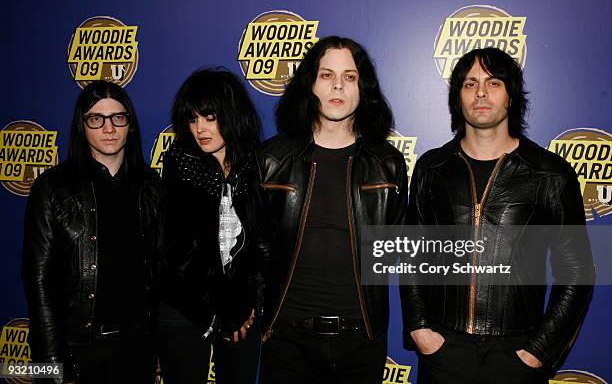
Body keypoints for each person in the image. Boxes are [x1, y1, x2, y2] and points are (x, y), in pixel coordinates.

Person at [400, 47, 595, 383]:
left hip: (518, 354)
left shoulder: (550, 174)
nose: (480, 92)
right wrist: (420, 330)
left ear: (511, 95)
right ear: (457, 98)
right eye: (469, 83)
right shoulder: (432, 168)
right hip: (444, 352)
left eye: (493, 83)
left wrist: (538, 351)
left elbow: (577, 272)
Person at [255, 36, 408, 383]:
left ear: (363, 88)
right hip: (287, 341)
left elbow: (395, 247)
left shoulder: (388, 164)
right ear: (309, 83)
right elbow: (256, 245)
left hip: (361, 341)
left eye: (350, 76)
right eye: (326, 75)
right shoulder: (270, 160)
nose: (338, 85)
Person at [22, 81, 162, 383]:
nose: (108, 128)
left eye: (118, 118)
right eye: (96, 119)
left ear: (130, 125)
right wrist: (52, 367)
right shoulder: (52, 188)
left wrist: (158, 347)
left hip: (137, 349)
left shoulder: (151, 186)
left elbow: (161, 272)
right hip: (75, 349)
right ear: (82, 125)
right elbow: (38, 279)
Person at [155, 68, 262, 384]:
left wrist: (248, 305)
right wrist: (222, 310)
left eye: (210, 116)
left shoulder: (257, 166)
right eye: (192, 119)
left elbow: (260, 245)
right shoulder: (180, 165)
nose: (199, 128)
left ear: (231, 115)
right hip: (184, 307)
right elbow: (179, 254)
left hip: (241, 310)